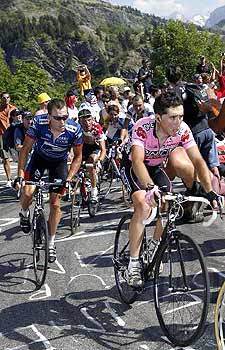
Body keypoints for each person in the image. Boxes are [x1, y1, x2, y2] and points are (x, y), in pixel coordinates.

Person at [126, 90, 221, 288]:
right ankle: (133, 264)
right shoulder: (142, 127)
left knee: (168, 205)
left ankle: (153, 247)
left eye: (181, 116)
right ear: (159, 118)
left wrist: (209, 191)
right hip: (136, 168)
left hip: (157, 167)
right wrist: (150, 188)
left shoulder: (183, 129)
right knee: (144, 206)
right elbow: (137, 161)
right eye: (173, 117)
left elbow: (197, 160)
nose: (178, 122)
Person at [14, 99, 83, 263]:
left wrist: (69, 178)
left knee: (55, 204)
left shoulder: (74, 129)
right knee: (28, 192)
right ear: (49, 117)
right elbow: (25, 150)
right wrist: (20, 175)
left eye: (65, 117)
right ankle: (24, 213)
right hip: (39, 159)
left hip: (59, 163)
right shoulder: (38, 123)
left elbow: (78, 156)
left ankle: (51, 242)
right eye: (58, 118)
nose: (62, 121)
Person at [78, 108, 106, 202]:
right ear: (79, 121)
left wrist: (99, 161)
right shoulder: (77, 128)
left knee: (91, 163)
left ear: (92, 119)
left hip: (95, 148)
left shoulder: (96, 128)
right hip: (83, 147)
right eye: (84, 121)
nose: (87, 123)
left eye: (89, 120)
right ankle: (81, 185)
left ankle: (94, 191)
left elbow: (103, 149)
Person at [0, 92, 16, 186]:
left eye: (7, 97)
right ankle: (9, 179)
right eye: (3, 98)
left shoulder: (14, 109)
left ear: (10, 98)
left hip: (14, 134)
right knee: (5, 158)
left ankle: (21, 176)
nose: (6, 99)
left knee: (19, 156)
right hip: (2, 135)